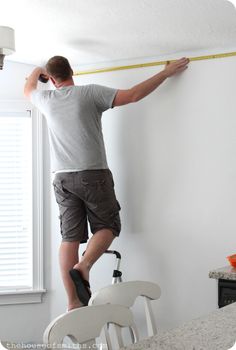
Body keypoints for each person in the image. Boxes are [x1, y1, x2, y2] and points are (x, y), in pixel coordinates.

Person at [24, 55, 189, 311]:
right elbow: (134, 95)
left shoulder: (45, 99)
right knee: (109, 225)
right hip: (93, 175)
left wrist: (37, 71)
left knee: (69, 238)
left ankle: (72, 303)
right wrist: (165, 73)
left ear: (52, 79)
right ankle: (84, 266)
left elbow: (28, 88)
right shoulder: (89, 94)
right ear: (72, 72)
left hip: (62, 178)